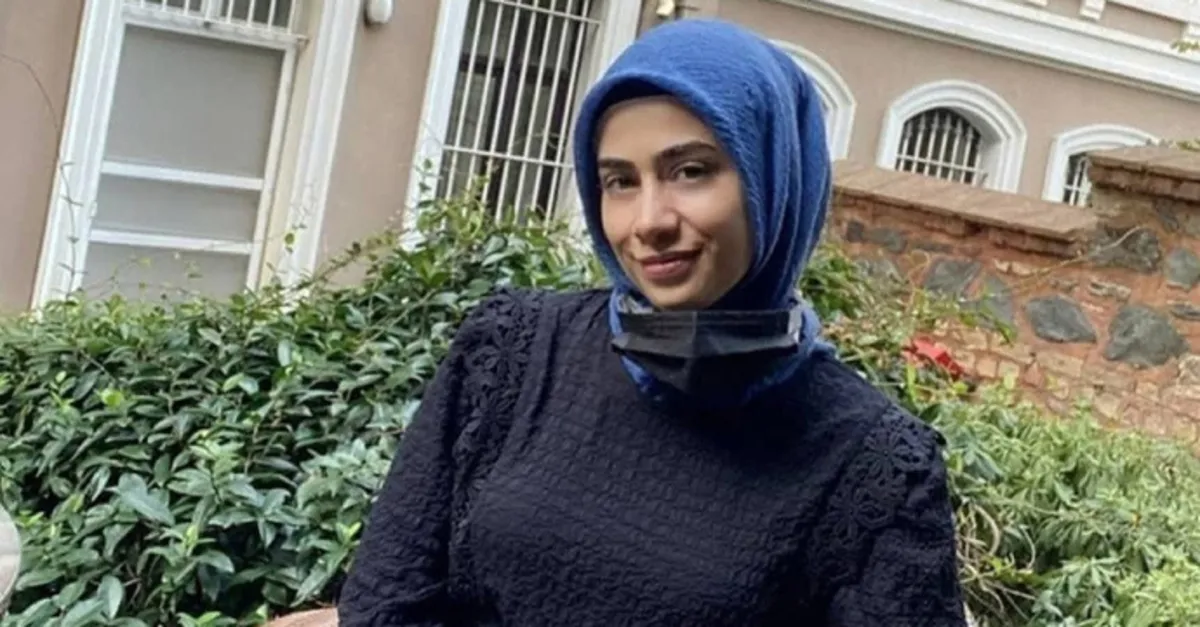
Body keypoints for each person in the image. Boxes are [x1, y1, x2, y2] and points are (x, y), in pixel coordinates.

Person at [337, 18, 965, 627]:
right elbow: (384, 604)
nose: (649, 221)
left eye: (690, 171)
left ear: (775, 175)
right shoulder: (512, 353)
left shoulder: (873, 464)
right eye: (619, 181)